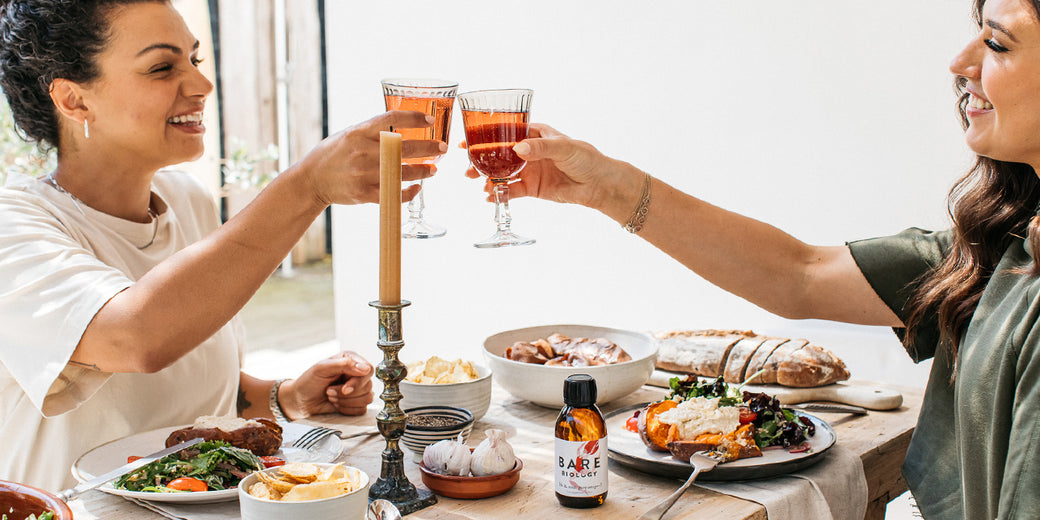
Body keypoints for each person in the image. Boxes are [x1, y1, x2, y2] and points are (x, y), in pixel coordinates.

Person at [466, 0, 1040, 517]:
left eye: (996, 42)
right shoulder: (1006, 246)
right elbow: (800, 277)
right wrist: (604, 188)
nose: (959, 61)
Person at [0, 0, 443, 491]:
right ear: (74, 100)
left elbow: (191, 394)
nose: (201, 85)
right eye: (163, 67)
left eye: (196, 60)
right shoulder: (14, 226)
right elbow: (135, 338)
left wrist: (287, 396)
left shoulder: (186, 201)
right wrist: (305, 187)